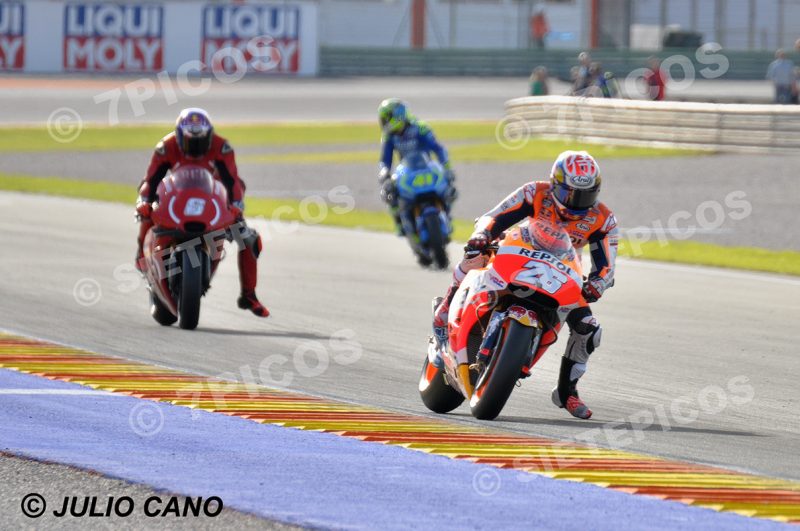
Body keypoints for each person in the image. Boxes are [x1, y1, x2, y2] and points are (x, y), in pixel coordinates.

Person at [432, 151, 618, 420]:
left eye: (585, 195)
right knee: (475, 255)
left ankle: (567, 392)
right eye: (570, 194)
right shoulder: (534, 192)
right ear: (555, 184)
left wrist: (597, 284)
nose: (577, 202)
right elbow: (494, 216)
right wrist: (482, 235)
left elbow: (607, 266)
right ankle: (445, 310)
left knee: (590, 330)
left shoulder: (603, 219)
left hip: (561, 273)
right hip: (517, 251)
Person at [135, 108, 269, 318]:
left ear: (209, 135)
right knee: (147, 210)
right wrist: (144, 200)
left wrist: (236, 206)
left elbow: (232, 181)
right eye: (190, 141)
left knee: (250, 239)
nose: (196, 147)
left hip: (212, 200)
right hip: (178, 196)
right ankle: (140, 255)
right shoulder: (165, 147)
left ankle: (248, 296)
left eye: (200, 140)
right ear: (180, 137)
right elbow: (151, 179)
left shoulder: (221, 147)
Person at [377, 98, 457, 235]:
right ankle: (401, 224)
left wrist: (447, 168)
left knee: (448, 187)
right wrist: (384, 172)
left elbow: (438, 149)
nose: (384, 123)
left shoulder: (420, 127)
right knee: (389, 192)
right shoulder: (389, 137)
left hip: (427, 168)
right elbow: (385, 160)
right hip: (406, 171)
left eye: (386, 119)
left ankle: (447, 216)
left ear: (397, 116)